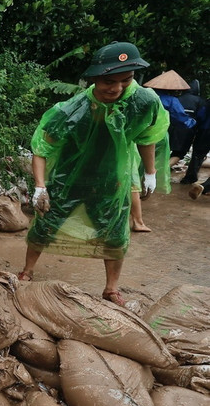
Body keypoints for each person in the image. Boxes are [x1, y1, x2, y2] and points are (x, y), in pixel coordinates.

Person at [18, 41, 169, 307]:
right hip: (68, 179)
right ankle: (27, 270)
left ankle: (111, 288)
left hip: (113, 180)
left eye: (127, 79)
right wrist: (40, 187)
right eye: (109, 81)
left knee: (115, 233)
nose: (117, 88)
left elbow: (147, 137)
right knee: (45, 224)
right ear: (94, 78)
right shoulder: (72, 110)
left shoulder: (142, 102)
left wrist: (150, 172)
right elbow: (41, 147)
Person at [142, 70, 194, 170]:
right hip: (159, 133)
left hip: (140, 130)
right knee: (156, 157)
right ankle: (152, 177)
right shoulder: (171, 100)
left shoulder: (146, 95)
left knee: (141, 156)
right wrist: (192, 123)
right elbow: (180, 118)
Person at [179, 79, 208, 184]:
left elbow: (201, 115)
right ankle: (207, 185)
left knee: (198, 154)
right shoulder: (200, 100)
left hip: (205, 131)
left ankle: (190, 178)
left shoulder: (207, 102)